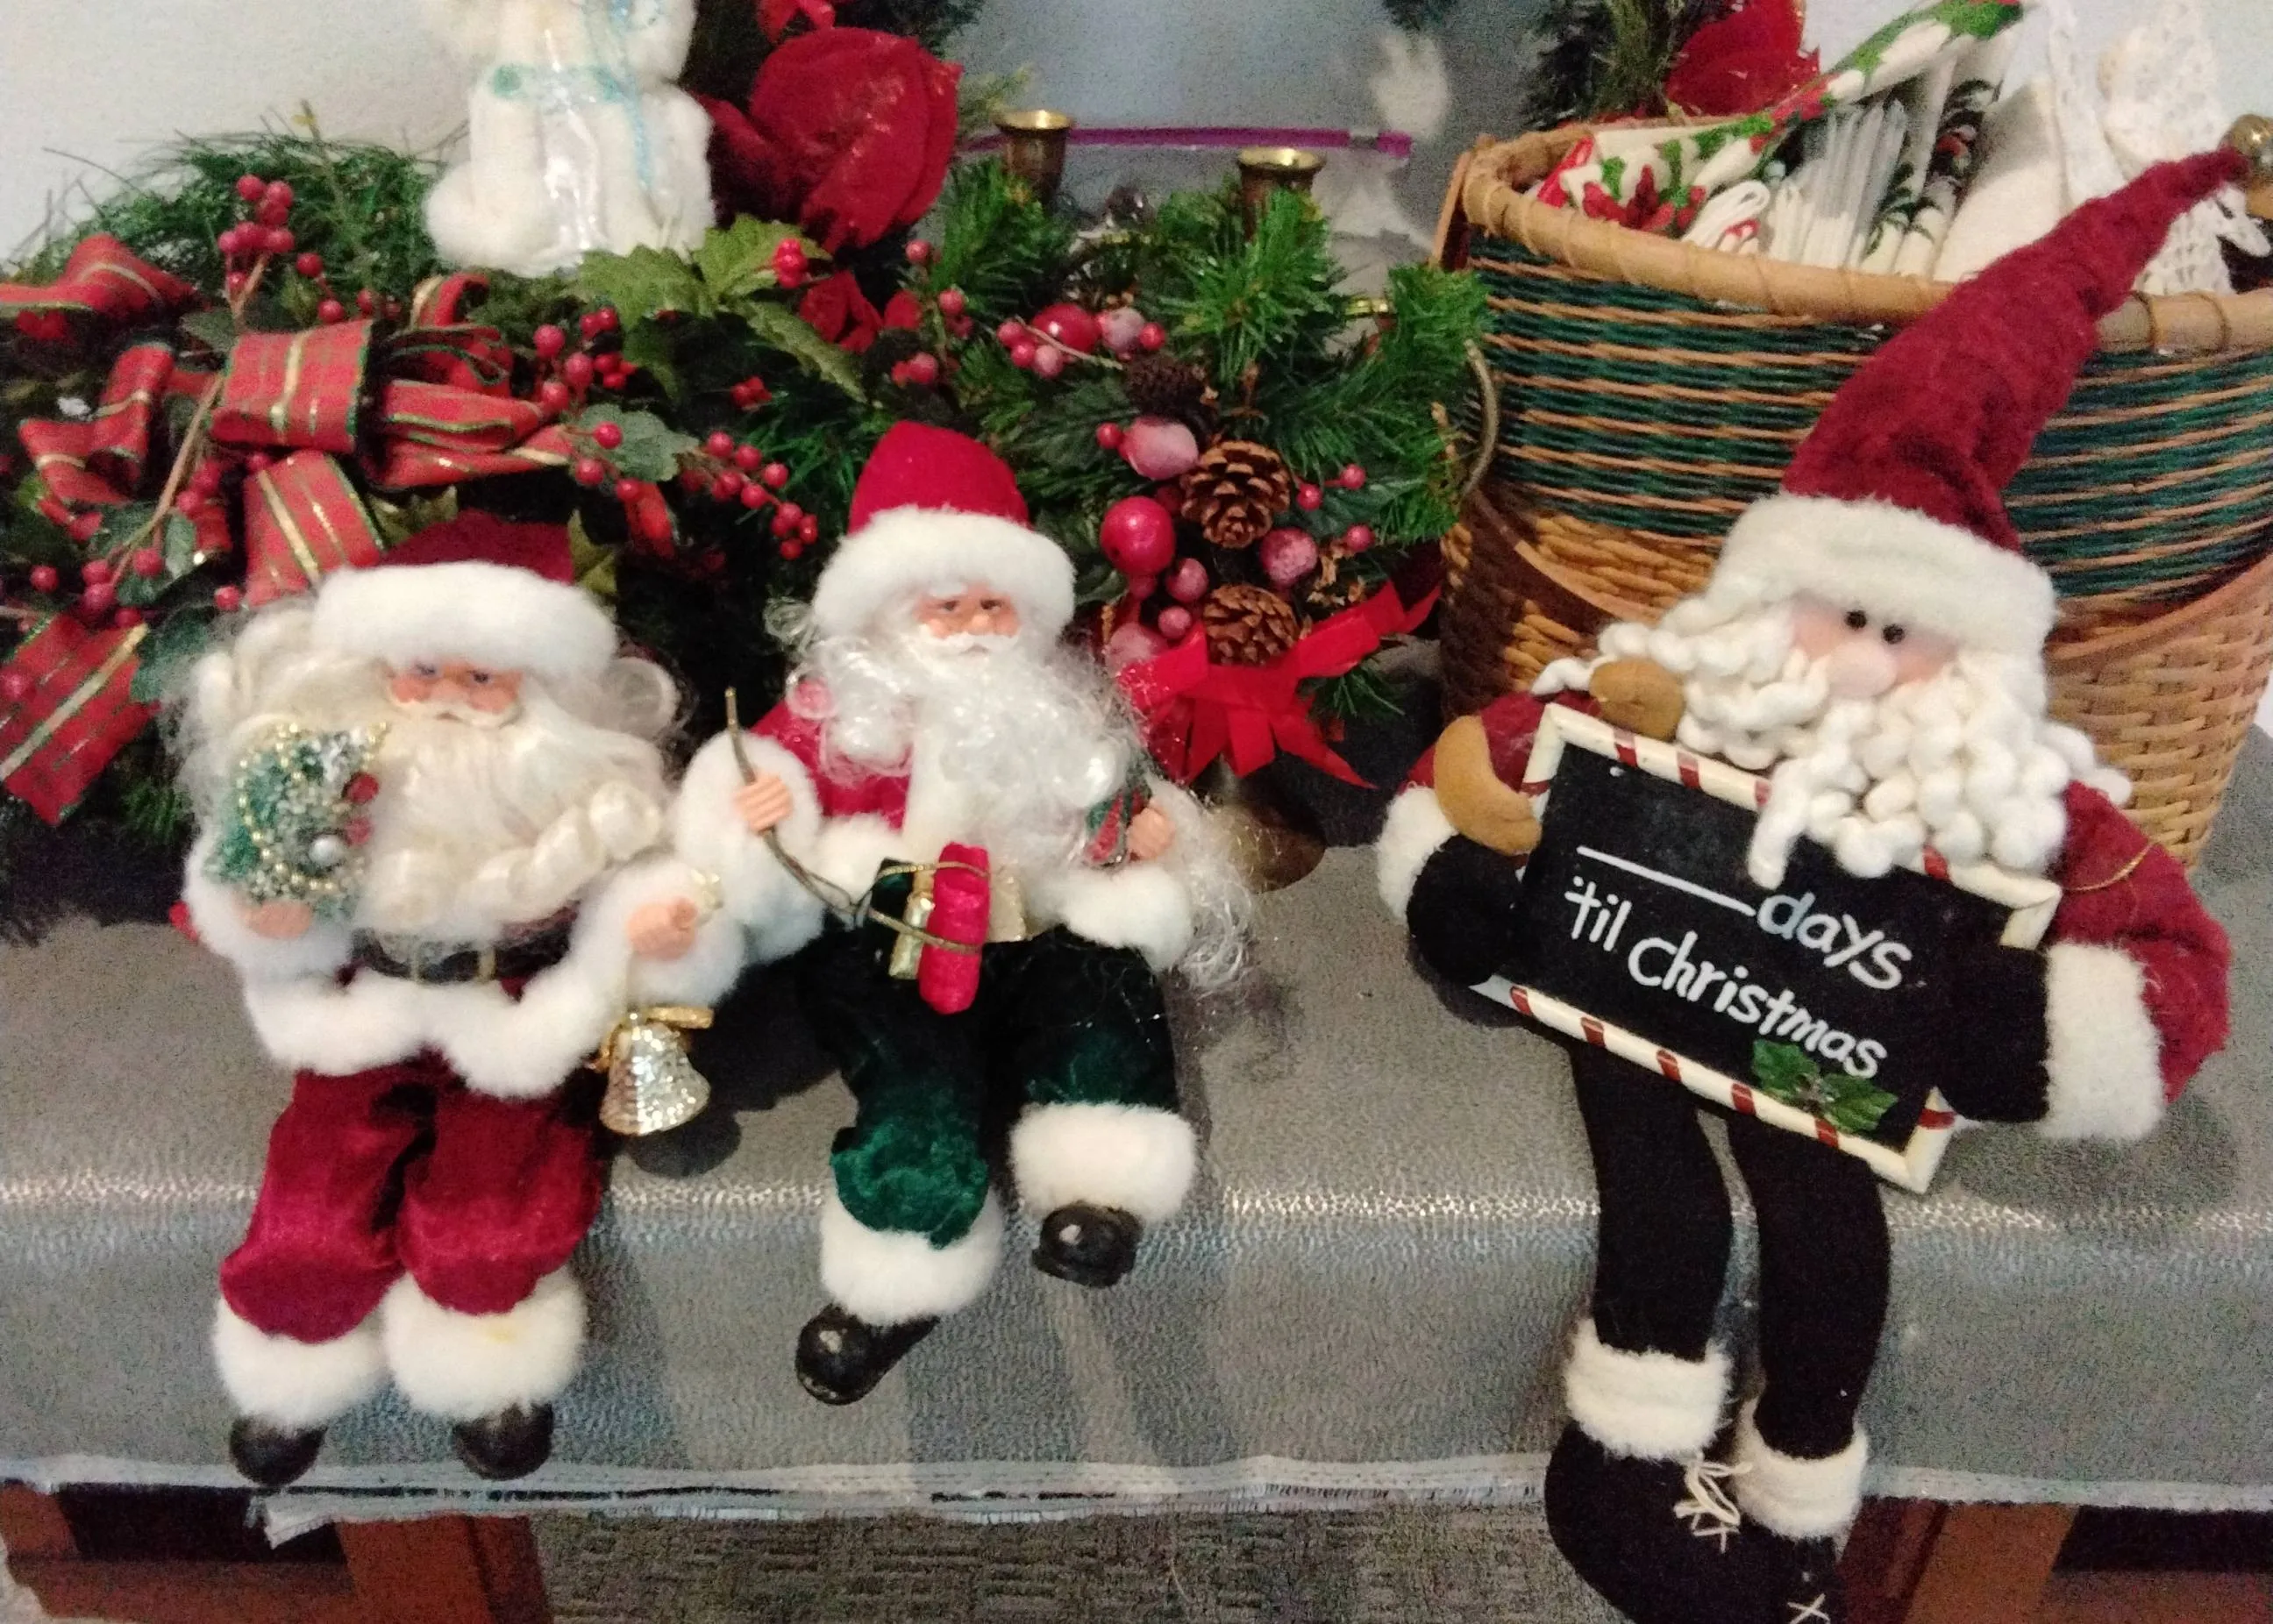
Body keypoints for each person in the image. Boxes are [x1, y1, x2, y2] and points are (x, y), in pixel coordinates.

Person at [1377, 151, 2241, 1623]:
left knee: (1827, 1230)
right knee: (1661, 1193)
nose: (1857, 662)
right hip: (1653, 1004)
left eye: (1903, 633)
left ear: (1974, 659)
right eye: (1838, 616)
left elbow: (2172, 967)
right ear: (1766, 602)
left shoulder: (2015, 805)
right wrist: (1460, 879)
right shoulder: (1656, 714)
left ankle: (1792, 1523)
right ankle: (1630, 1465)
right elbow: (1477, 770)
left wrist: (2038, 1026)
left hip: (1833, 1062)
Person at [661, 423, 1245, 1404]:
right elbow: (757, 793)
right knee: (914, 1083)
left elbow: (1102, 789)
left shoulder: (1052, 708)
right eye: (947, 607)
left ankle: (1096, 1195)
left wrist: (1134, 826)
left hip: (1037, 917)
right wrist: (760, 808)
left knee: (1105, 1002)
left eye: (993, 605)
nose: (974, 627)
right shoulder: (840, 711)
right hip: (895, 935)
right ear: (890, 613)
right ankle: (897, 1274)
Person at [175, 513, 737, 1484]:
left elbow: (645, 880)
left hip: (508, 1015)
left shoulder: (575, 791)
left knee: (498, 1198)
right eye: (422, 669)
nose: (445, 698)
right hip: (363, 1012)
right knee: (314, 1187)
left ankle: (487, 1369)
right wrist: (269, 915)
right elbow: (252, 885)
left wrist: (655, 931)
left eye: (481, 678)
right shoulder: (325, 768)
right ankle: (290, 1363)